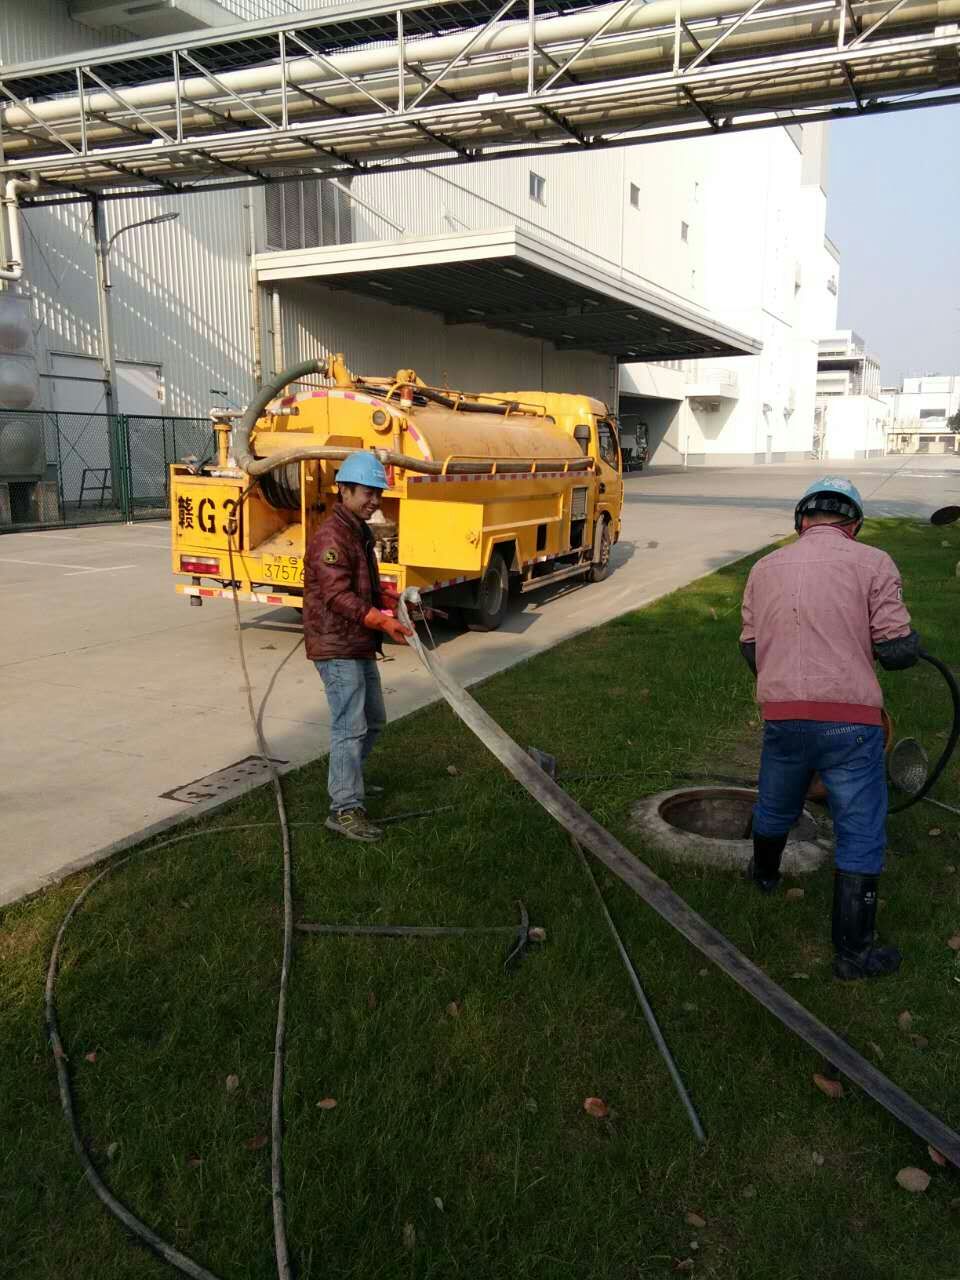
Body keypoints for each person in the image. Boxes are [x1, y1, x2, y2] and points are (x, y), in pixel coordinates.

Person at [739, 477, 920, 980]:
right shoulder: (874, 562)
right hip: (850, 722)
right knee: (860, 828)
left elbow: (750, 649)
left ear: (801, 521)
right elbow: (897, 650)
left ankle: (765, 878)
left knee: (776, 801)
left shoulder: (763, 567)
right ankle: (853, 954)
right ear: (854, 524)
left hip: (782, 715)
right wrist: (908, 642)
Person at [303, 452, 412, 842]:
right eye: (368, 492)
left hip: (357, 642)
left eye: (379, 494)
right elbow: (337, 598)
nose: (375, 501)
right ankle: (345, 808)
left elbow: (362, 585)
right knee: (349, 726)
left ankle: (349, 782)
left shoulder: (359, 530)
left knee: (374, 719)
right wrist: (382, 620)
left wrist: (392, 599)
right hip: (336, 645)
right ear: (344, 490)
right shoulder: (331, 537)